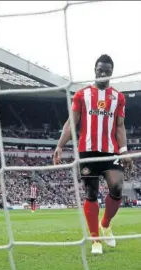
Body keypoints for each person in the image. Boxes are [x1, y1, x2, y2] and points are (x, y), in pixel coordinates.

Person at [53, 54, 133, 254]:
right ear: (95, 70)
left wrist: (124, 151)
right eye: (100, 70)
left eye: (107, 70)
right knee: (91, 193)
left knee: (117, 186)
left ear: (111, 73)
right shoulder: (82, 95)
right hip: (87, 151)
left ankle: (105, 225)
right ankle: (95, 240)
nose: (103, 73)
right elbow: (71, 123)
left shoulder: (118, 97)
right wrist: (60, 145)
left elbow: (120, 126)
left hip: (110, 151)